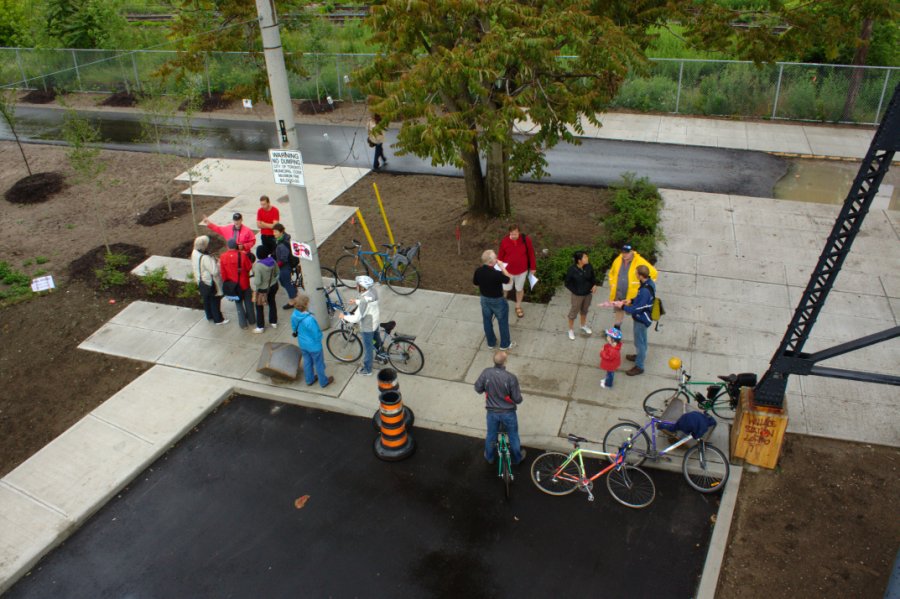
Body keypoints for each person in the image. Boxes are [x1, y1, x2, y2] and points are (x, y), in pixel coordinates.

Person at [474, 351, 525, 465]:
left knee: (491, 435)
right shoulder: (510, 378)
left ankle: (490, 457)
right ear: (505, 362)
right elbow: (517, 399)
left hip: (492, 412)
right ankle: (517, 458)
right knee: (513, 436)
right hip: (508, 413)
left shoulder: (486, 373)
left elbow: (478, 388)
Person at [339, 275, 382, 376]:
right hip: (375, 321)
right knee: (376, 338)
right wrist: (356, 301)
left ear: (362, 287)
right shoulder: (373, 291)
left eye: (357, 285)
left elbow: (356, 318)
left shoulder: (364, 301)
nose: (356, 286)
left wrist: (344, 316)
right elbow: (369, 301)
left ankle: (367, 370)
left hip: (367, 326)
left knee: (368, 349)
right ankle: (380, 354)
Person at [608, 244, 657, 331]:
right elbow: (612, 273)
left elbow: (653, 273)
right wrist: (612, 284)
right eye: (623, 252)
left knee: (635, 312)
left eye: (627, 252)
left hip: (631, 296)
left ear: (632, 252)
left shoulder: (639, 261)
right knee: (619, 310)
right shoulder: (618, 260)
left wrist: (643, 286)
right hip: (619, 293)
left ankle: (639, 329)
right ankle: (616, 329)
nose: (624, 254)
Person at [291, 293, 334, 389]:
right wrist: (320, 338)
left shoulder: (294, 315)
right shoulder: (309, 319)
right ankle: (323, 381)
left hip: (302, 344)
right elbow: (316, 333)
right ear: (305, 305)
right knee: (319, 363)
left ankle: (309, 380)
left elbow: (294, 328)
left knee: (307, 361)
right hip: (314, 346)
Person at [473, 249, 512, 350]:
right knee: (502, 322)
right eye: (495, 257)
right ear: (491, 261)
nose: (497, 258)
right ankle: (505, 344)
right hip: (498, 300)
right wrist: (502, 266)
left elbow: (475, 283)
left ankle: (491, 342)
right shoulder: (496, 274)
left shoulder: (478, 271)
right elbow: (509, 279)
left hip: (484, 299)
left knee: (487, 321)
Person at [622, 265, 655, 376]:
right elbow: (640, 300)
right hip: (645, 317)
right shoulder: (649, 283)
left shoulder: (645, 290)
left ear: (641, 276)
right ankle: (639, 356)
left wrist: (623, 307)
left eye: (636, 273)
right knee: (643, 340)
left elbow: (638, 309)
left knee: (639, 342)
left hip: (641, 320)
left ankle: (639, 366)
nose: (635, 274)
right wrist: (631, 300)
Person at [497, 224, 536, 319]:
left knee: (519, 289)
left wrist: (533, 267)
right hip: (508, 272)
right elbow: (500, 258)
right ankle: (502, 305)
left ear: (519, 232)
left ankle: (518, 306)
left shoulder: (526, 240)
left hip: (522, 271)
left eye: (515, 234)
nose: (513, 236)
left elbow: (531, 254)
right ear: (509, 232)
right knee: (505, 289)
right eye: (511, 234)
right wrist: (501, 269)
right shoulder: (505, 241)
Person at [191, 235, 228, 325]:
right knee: (214, 300)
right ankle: (218, 319)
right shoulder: (205, 258)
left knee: (206, 300)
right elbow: (214, 271)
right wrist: (217, 263)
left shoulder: (194, 253)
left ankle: (209, 316)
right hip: (210, 282)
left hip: (201, 281)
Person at [219, 238, 255, 330]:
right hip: (244, 283)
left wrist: (227, 282)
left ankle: (243, 324)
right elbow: (249, 267)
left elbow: (223, 273)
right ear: (236, 246)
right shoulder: (242, 256)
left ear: (227, 247)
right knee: (248, 302)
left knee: (238, 304)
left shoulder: (222, 257)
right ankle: (252, 320)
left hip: (233, 286)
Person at [564, 250, 598, 340]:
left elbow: (593, 277)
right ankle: (570, 330)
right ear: (579, 260)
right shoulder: (572, 270)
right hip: (577, 296)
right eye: (585, 257)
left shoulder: (588, 266)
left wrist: (594, 285)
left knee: (584, 310)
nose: (587, 258)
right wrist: (576, 291)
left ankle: (583, 325)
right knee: (573, 312)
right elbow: (567, 283)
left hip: (588, 294)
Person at [250, 245, 280, 333]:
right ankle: (273, 322)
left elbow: (258, 282)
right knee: (272, 302)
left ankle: (260, 327)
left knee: (259, 307)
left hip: (262, 289)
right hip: (273, 285)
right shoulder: (272, 261)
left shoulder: (258, 266)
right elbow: (277, 272)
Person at [272, 223, 298, 309]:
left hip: (284, 267)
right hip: (286, 266)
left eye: (276, 232)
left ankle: (292, 302)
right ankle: (294, 293)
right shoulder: (283, 239)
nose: (274, 233)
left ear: (281, 232)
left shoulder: (282, 244)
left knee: (286, 283)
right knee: (286, 283)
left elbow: (283, 258)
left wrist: (276, 265)